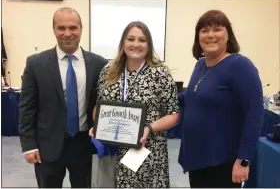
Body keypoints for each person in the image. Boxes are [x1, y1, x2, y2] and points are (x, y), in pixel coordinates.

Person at [18, 7, 107, 188]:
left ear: (81, 29)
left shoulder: (99, 64)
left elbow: (103, 103)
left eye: (73, 28)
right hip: (47, 146)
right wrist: (29, 145)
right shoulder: (36, 64)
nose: (67, 33)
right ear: (54, 30)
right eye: (61, 28)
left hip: (84, 144)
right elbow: (27, 108)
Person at [178, 10, 264, 188]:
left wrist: (244, 160)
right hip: (197, 158)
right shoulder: (201, 64)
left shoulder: (240, 66)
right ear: (198, 37)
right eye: (204, 30)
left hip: (222, 162)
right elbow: (191, 97)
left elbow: (254, 115)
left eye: (217, 29)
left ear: (228, 35)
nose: (210, 35)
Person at [89, 21, 180, 188]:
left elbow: (174, 115)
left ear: (149, 45)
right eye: (131, 39)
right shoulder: (108, 71)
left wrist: (149, 128)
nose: (136, 44)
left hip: (147, 151)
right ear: (123, 42)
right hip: (113, 151)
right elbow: (98, 107)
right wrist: (98, 125)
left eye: (142, 40)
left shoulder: (160, 74)